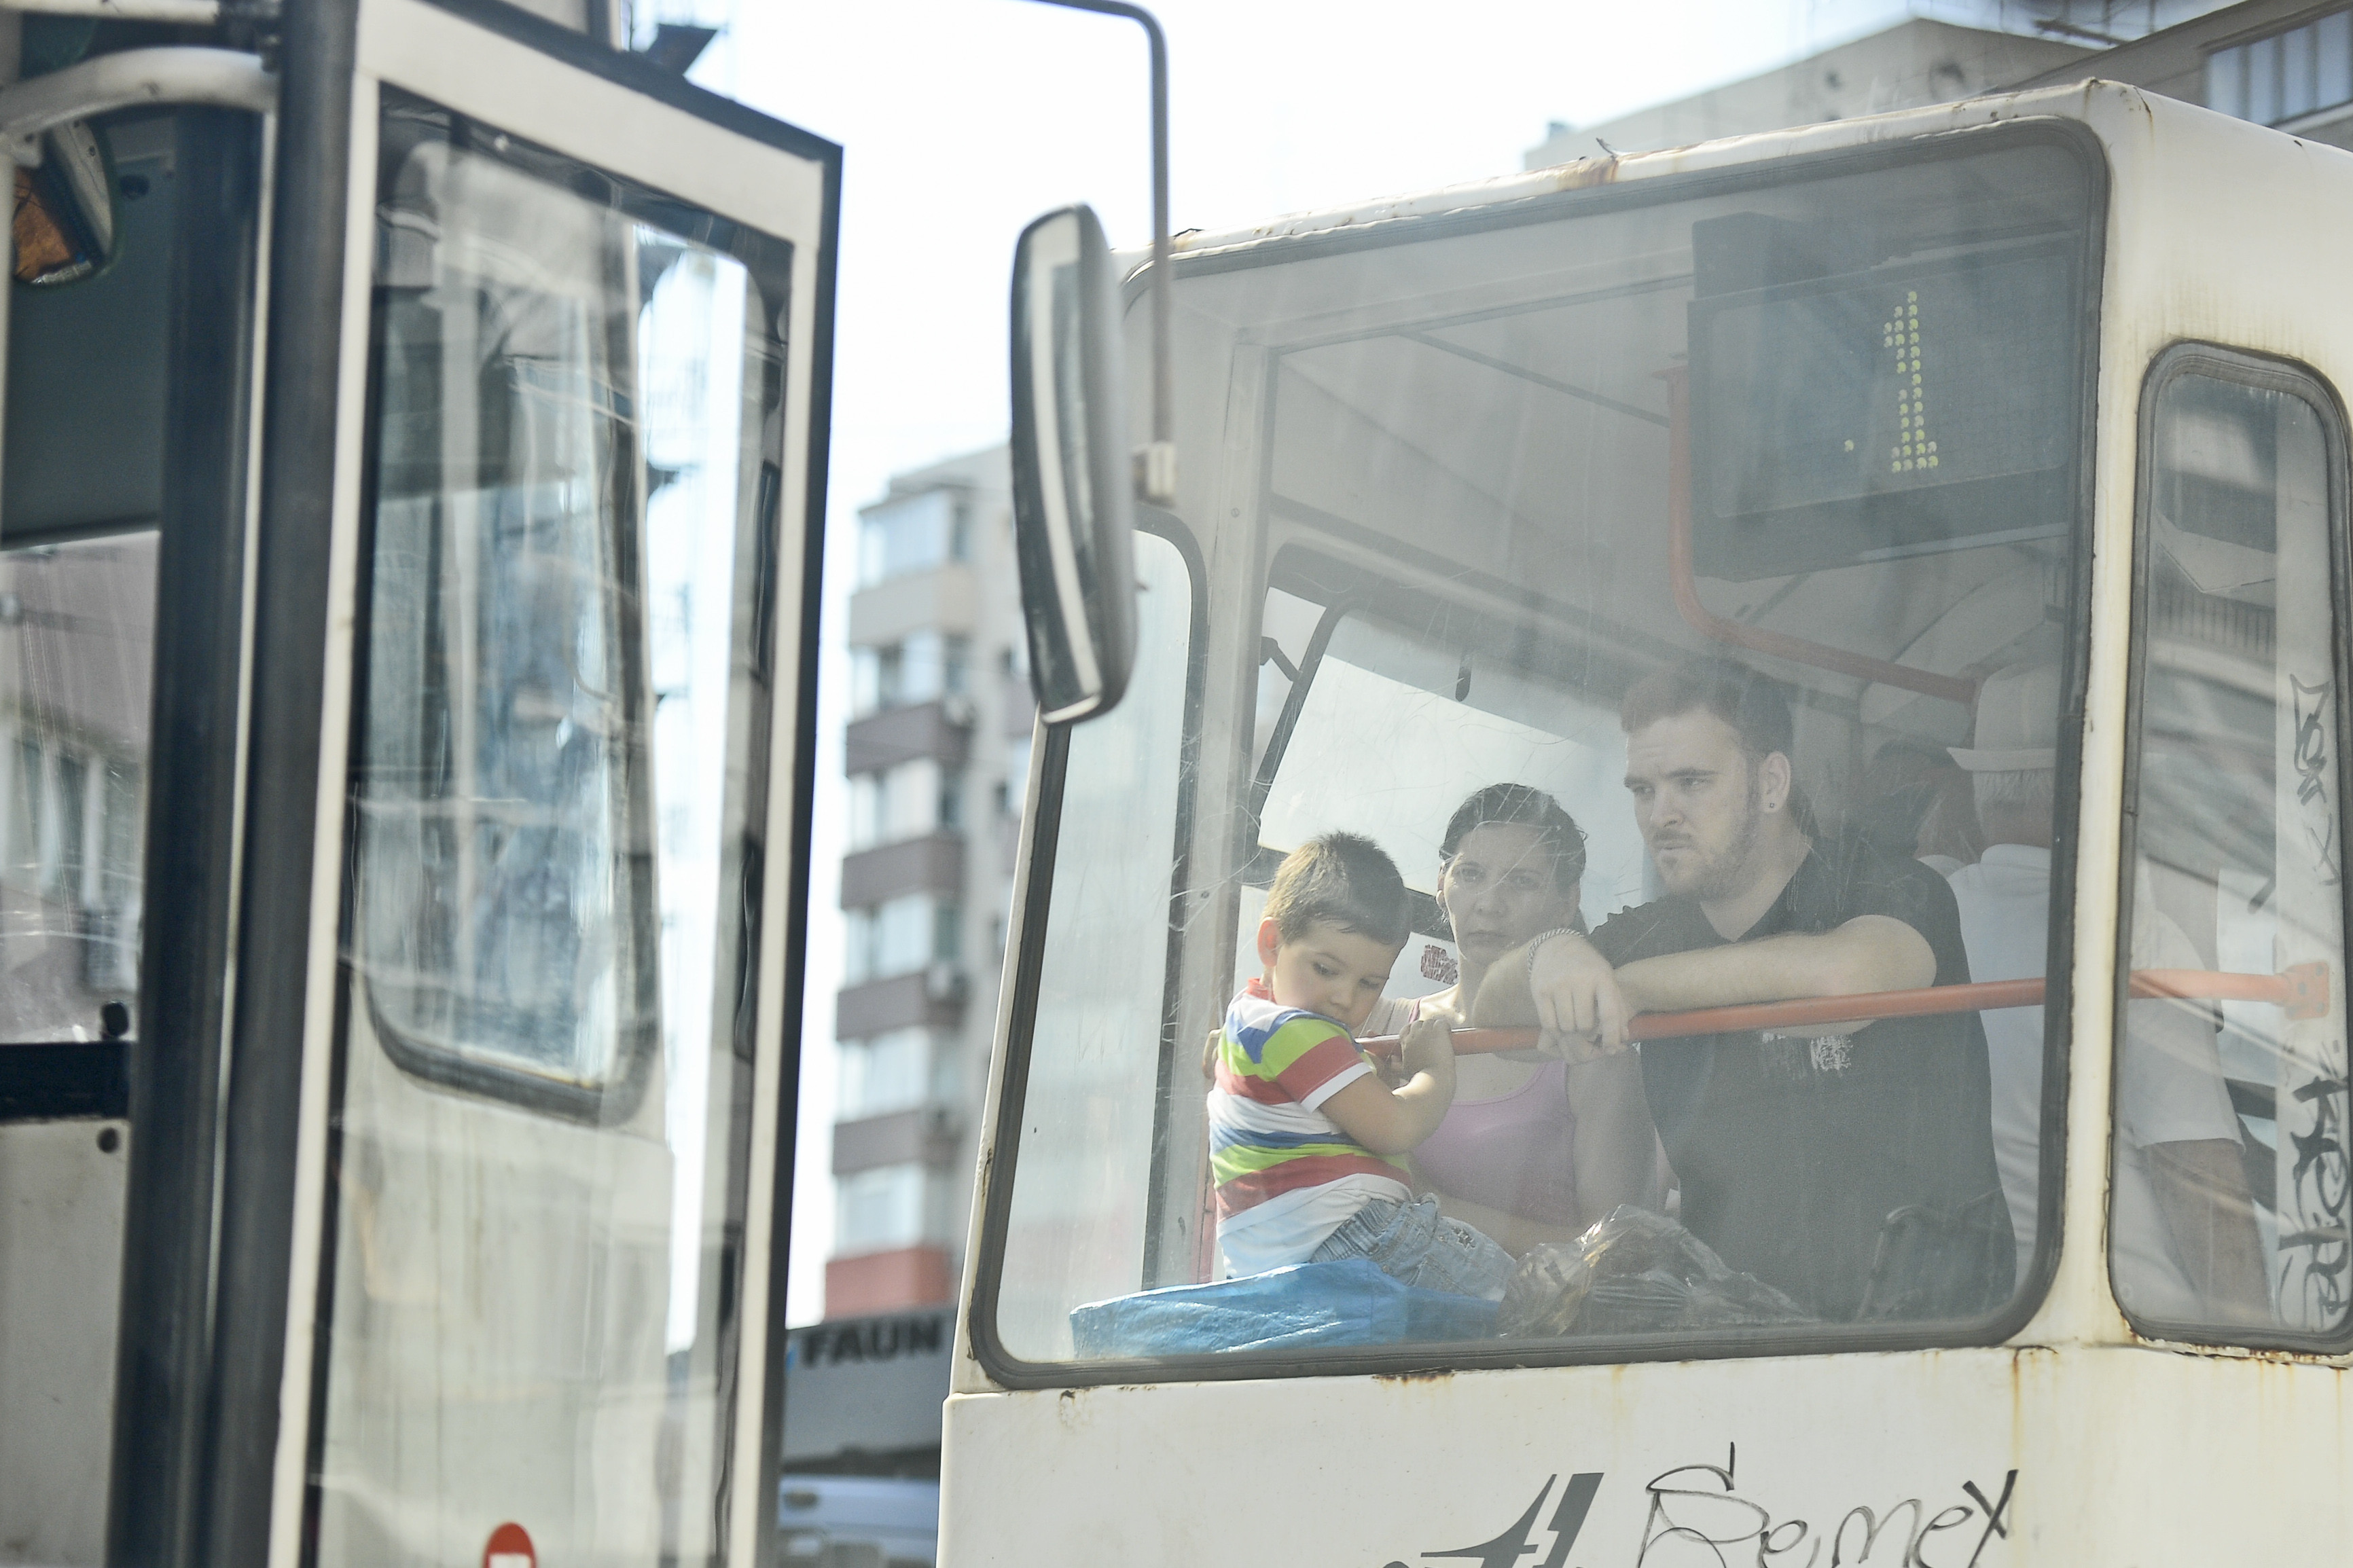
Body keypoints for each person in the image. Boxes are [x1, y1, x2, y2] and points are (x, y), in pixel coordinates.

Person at [1472, 659, 2011, 1321]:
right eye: (1643, 790)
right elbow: (1492, 1022)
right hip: (1730, 1332)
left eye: (1691, 782)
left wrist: (1630, 987)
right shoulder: (1654, 931)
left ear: (1771, 783)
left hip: (1931, 1334)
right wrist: (1547, 953)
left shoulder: (1888, 886)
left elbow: (1845, 981)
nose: (1661, 814)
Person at [1942, 660, 2267, 1323]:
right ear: (2091, 783)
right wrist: (2262, 1340)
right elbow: (2200, 1188)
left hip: (1973, 1309)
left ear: (1979, 790)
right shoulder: (2131, 936)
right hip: (2136, 1324)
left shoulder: (1931, 913)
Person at [1208, 831, 1514, 1298]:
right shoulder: (1296, 1029)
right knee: (1510, 1289)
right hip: (1349, 1239)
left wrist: (1373, 1077)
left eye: (1370, 983)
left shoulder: (1249, 1021)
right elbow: (1395, 1128)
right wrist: (1433, 1072)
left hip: (1277, 1261)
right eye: (1326, 970)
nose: (1345, 998)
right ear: (1271, 943)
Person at [1357, 784, 1659, 1254]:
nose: (1490, 902)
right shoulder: (1378, 1024)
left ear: (1568, 901)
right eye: (1471, 874)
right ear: (1441, 884)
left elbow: (1617, 1252)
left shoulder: (1593, 1054)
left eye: (1522, 882)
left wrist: (1429, 1204)